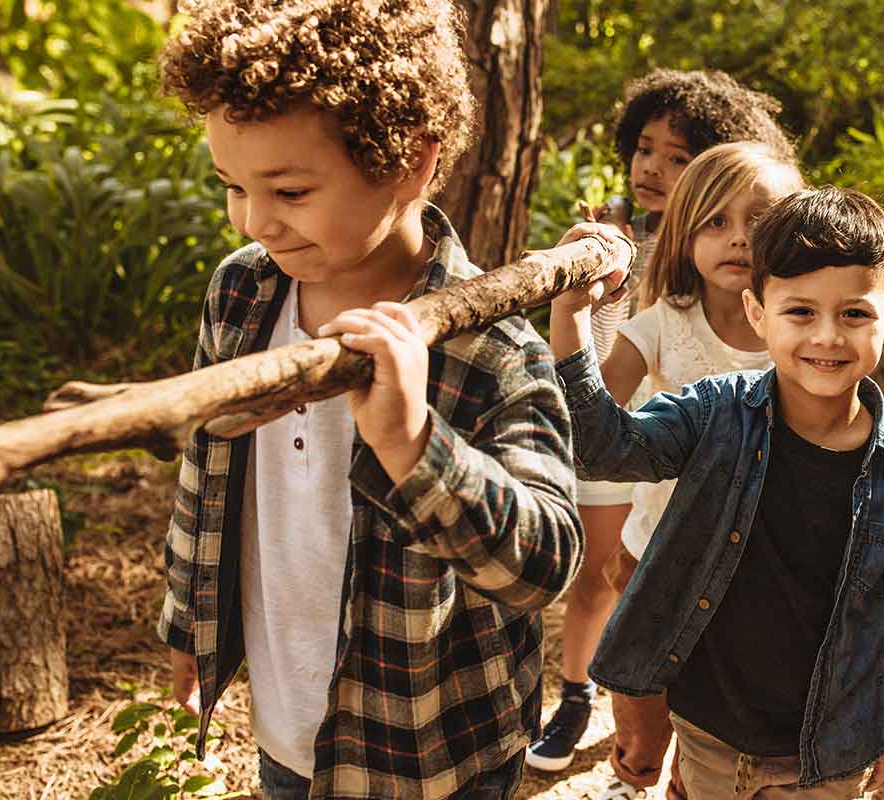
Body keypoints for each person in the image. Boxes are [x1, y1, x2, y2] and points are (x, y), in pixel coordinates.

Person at [154, 2, 583, 798]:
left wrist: (417, 446)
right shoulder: (242, 293)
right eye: (233, 188)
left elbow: (545, 565)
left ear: (413, 163)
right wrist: (193, 620)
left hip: (434, 751)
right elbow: (208, 467)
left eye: (288, 189)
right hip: (289, 727)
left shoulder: (493, 351)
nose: (256, 221)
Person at [550, 187, 884, 799]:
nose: (828, 337)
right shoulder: (714, 415)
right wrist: (571, 316)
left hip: (828, 750)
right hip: (710, 730)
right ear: (758, 313)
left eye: (855, 314)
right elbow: (604, 448)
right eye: (800, 312)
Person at [529, 69, 795, 789]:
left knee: (714, 732)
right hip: (654, 544)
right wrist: (573, 310)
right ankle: (613, 740)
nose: (738, 239)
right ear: (688, 231)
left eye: (758, 222)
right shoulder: (654, 306)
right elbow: (588, 406)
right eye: (716, 222)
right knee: (642, 724)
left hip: (752, 568)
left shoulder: (800, 332)